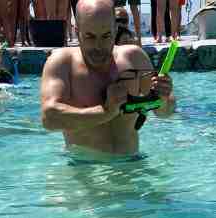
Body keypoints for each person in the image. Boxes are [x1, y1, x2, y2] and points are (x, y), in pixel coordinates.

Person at [40, 0, 175, 157]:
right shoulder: (62, 62)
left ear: (115, 29)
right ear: (77, 32)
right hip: (85, 169)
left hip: (133, 166)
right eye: (90, 36)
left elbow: (165, 113)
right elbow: (49, 118)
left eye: (106, 36)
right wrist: (105, 113)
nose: (98, 46)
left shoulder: (134, 57)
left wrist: (164, 98)